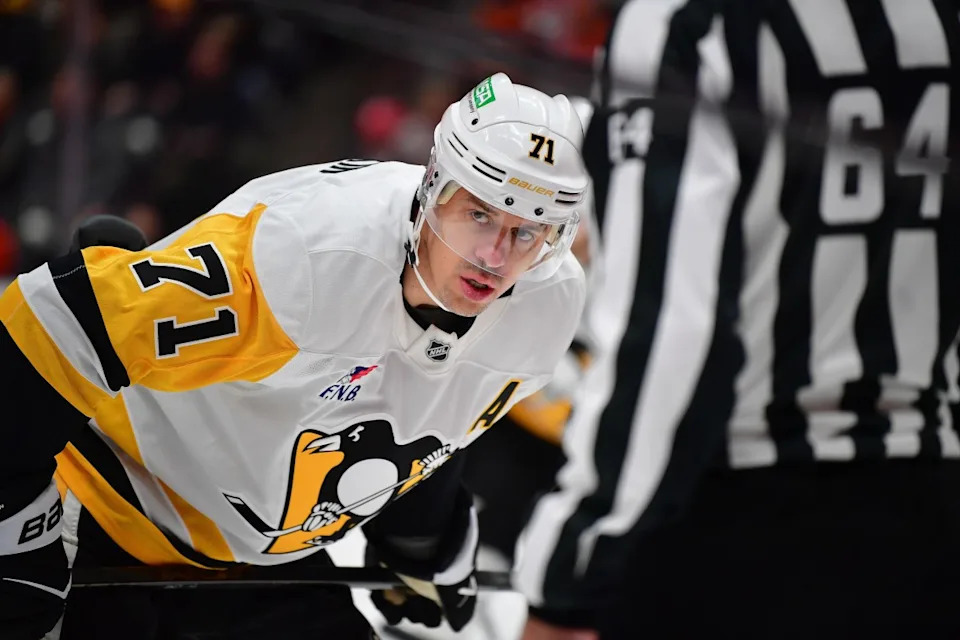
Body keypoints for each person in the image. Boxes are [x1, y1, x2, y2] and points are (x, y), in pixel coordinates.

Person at [0, 72, 589, 640]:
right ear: (433, 186)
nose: (494, 254)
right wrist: (14, 528)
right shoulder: (304, 255)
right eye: (480, 213)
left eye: (528, 232)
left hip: (255, 566)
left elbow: (432, 412)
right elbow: (44, 322)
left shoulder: (548, 302)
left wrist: (419, 535)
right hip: (106, 521)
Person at [515, 0, 960, 638]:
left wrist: (568, 574)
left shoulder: (689, 20)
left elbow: (672, 326)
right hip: (932, 510)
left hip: (738, 524)